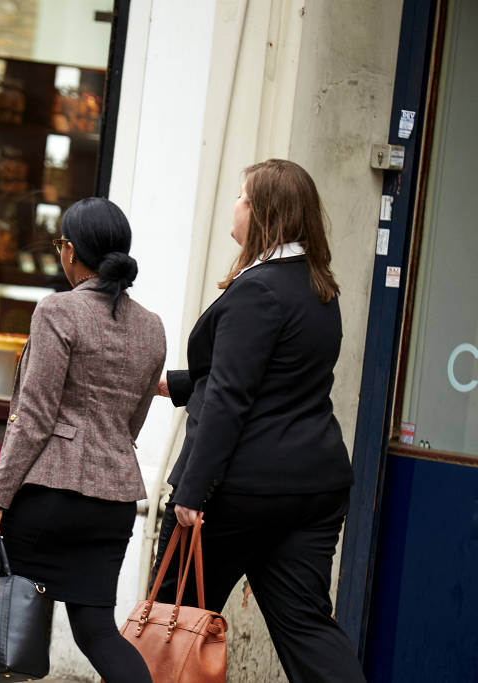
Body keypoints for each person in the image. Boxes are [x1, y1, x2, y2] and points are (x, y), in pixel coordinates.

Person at [154, 159, 365, 682]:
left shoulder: (258, 289)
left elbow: (231, 394)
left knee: (172, 621)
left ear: (263, 212)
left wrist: (191, 490)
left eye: (243, 197)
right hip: (311, 489)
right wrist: (178, 385)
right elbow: (280, 375)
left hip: (240, 492)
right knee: (307, 627)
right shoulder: (319, 288)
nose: (236, 205)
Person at [0, 197, 165, 683]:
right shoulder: (152, 326)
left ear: (71, 251)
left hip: (47, 498)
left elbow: (33, 418)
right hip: (113, 501)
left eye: (60, 245)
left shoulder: (58, 310)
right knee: (96, 628)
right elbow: (131, 421)